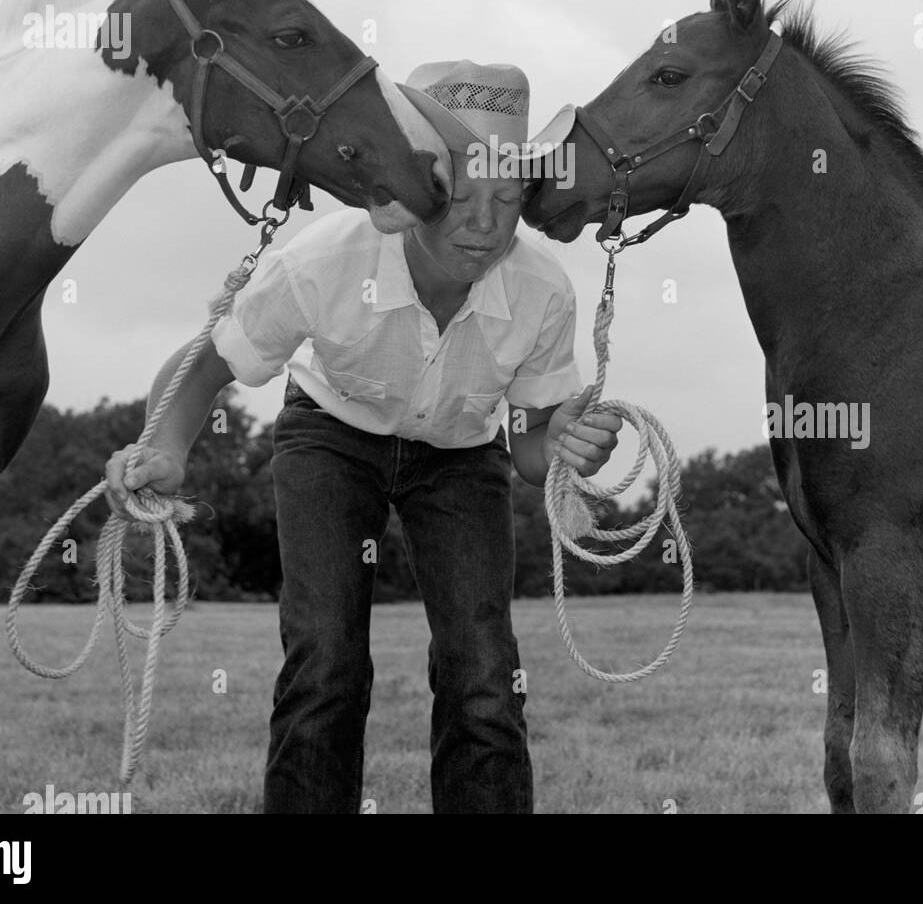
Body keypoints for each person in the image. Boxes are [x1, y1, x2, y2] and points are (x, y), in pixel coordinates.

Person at [104, 60, 620, 814]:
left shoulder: (544, 291)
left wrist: (570, 444)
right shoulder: (320, 263)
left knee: (483, 670)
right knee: (326, 661)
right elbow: (205, 367)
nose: (484, 222)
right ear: (414, 192)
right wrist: (167, 450)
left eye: (506, 198)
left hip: (460, 452)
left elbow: (530, 450)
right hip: (332, 433)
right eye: (461, 196)